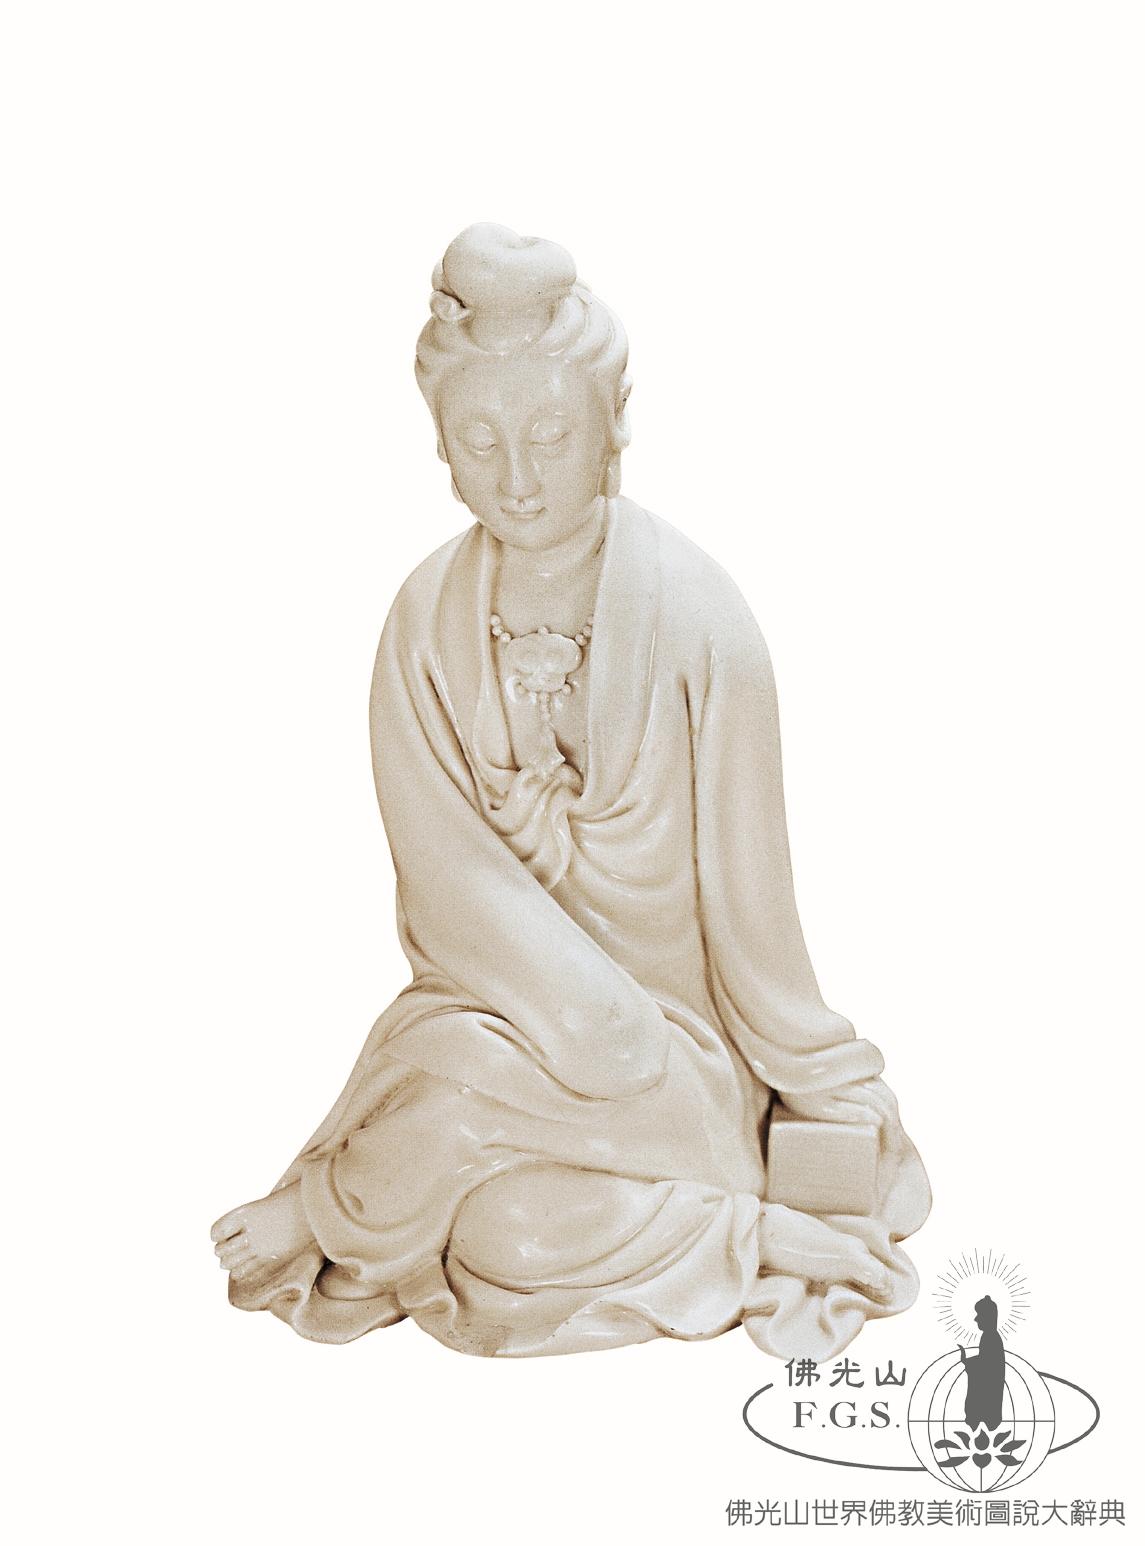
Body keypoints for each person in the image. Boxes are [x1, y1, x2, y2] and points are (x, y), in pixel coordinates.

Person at [211, 224, 930, 1359]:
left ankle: (338, 1201)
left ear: (614, 420)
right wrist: (573, 1017)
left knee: (580, 1079)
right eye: (478, 439)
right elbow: (446, 885)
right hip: (495, 1027)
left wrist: (821, 1085)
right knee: (505, 1238)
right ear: (438, 446)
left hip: (667, 1069)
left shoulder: (698, 618)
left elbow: (754, 907)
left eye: (549, 434)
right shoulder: (424, 621)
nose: (518, 476)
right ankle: (758, 1239)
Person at [959, 1296, 1006, 1430]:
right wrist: (969, 1362)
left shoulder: (991, 1337)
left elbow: (988, 1367)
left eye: (979, 1315)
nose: (976, 1319)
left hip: (988, 1397)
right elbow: (985, 1360)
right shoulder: (989, 1336)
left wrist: (968, 1363)